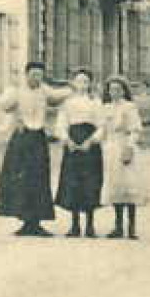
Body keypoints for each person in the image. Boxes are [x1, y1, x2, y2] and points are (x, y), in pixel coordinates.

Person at [0, 61, 73, 237]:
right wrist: (10, 123)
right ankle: (26, 221)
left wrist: (75, 86)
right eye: (34, 74)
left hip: (38, 138)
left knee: (39, 179)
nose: (37, 78)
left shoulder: (44, 90)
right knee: (21, 179)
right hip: (22, 138)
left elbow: (59, 96)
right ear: (26, 74)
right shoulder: (15, 92)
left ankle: (36, 221)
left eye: (40, 75)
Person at [53, 68, 105, 237]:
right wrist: (67, 140)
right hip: (73, 143)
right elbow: (61, 124)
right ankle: (74, 225)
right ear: (73, 83)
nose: (82, 84)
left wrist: (91, 141)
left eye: (85, 81)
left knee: (90, 183)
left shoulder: (96, 102)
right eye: (79, 81)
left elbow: (102, 125)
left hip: (90, 144)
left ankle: (90, 225)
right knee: (73, 183)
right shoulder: (68, 103)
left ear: (90, 84)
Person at [100, 75, 147, 240]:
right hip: (110, 148)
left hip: (125, 145)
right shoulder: (105, 108)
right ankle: (118, 226)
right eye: (111, 89)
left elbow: (135, 129)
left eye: (118, 89)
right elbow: (102, 130)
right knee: (115, 186)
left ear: (124, 91)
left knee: (129, 185)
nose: (114, 93)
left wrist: (129, 146)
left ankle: (131, 227)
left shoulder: (129, 107)